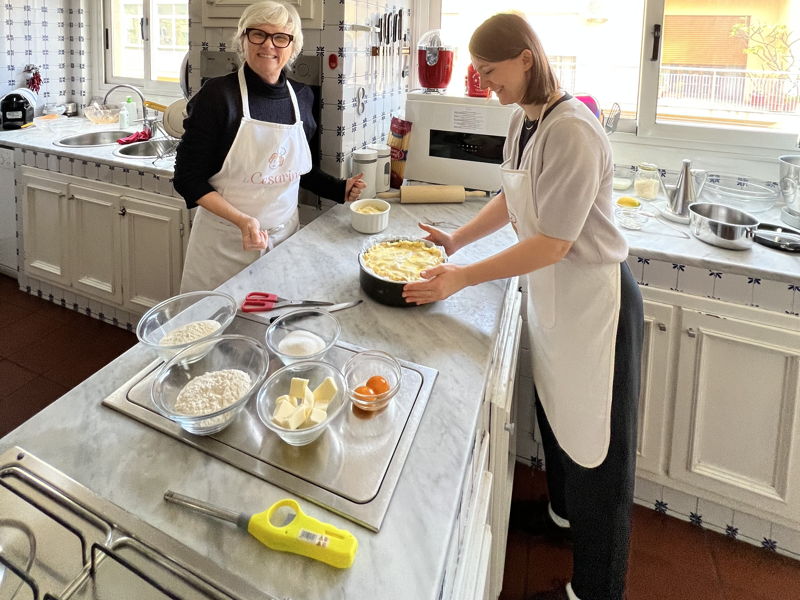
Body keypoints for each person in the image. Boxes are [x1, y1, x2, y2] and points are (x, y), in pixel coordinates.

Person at [403, 13, 643, 600]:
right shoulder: (524, 120)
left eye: (490, 71)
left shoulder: (574, 130)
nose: (484, 83)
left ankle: (597, 589)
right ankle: (561, 517)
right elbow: (514, 200)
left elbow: (553, 242)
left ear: (526, 59)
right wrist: (457, 241)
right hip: (554, 295)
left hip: (595, 302)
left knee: (600, 452)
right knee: (558, 421)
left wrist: (461, 278)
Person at [174, 0, 365, 292]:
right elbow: (187, 179)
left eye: (280, 37)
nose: (268, 45)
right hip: (224, 244)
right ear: (243, 39)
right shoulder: (217, 96)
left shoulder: (302, 98)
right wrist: (243, 221)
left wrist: (340, 189)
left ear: (293, 46)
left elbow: (298, 169)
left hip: (284, 239)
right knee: (216, 318)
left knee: (276, 316)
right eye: (258, 34)